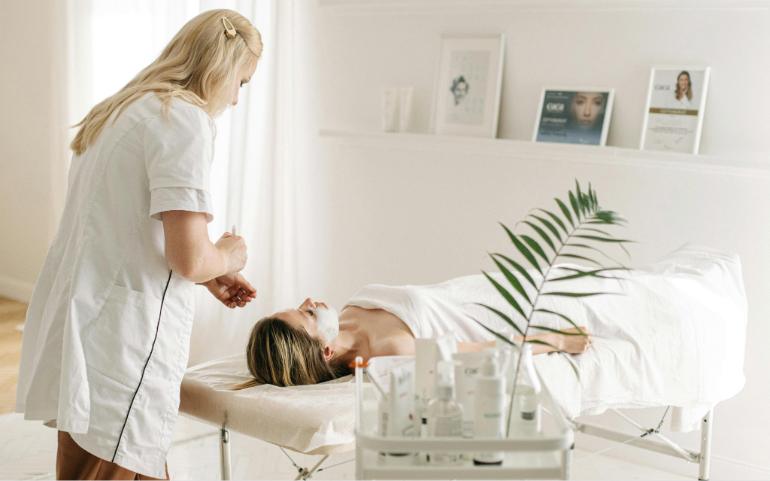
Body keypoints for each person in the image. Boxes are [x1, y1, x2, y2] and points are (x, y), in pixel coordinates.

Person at [15, 10, 261, 480]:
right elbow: (188, 257)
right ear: (221, 69)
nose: (234, 99)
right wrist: (229, 253)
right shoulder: (183, 119)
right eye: (241, 83)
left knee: (102, 458)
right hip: (125, 336)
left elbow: (126, 231)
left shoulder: (122, 109)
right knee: (116, 460)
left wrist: (213, 273)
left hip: (89, 318)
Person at [243, 274, 591, 388]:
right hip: (516, 314)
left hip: (487, 286)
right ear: (326, 352)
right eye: (306, 313)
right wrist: (556, 339)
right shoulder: (391, 352)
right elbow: (484, 351)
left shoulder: (348, 313)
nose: (309, 300)